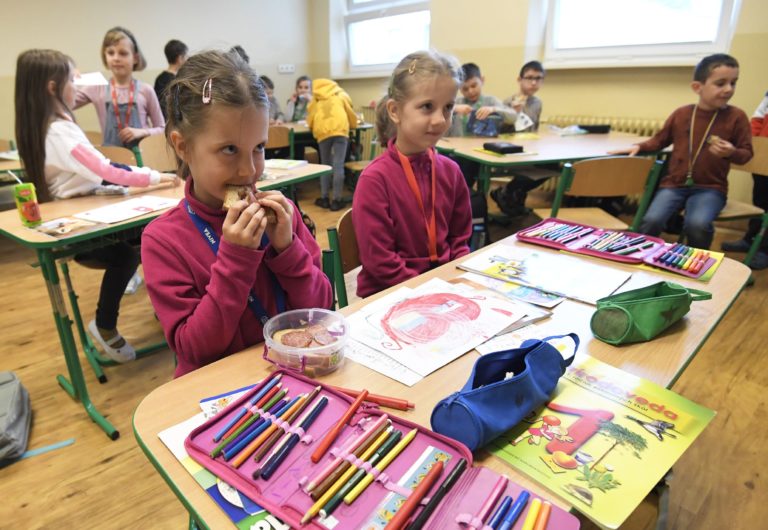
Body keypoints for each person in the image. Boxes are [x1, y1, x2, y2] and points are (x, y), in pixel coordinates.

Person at [141, 50, 332, 377]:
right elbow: (194, 350)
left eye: (258, 148)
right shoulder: (162, 240)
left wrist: (288, 251)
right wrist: (236, 258)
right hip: (219, 392)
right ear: (183, 146)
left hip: (292, 376)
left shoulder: (281, 215)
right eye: (229, 150)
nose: (248, 170)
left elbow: (322, 308)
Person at [14, 49, 177, 362]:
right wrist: (158, 177)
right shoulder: (58, 130)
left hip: (88, 203)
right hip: (80, 221)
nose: (77, 85)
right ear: (52, 87)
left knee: (153, 239)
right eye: (73, 79)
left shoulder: (48, 124)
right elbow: (107, 170)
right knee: (128, 256)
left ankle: (166, 306)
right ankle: (104, 326)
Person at [352, 50, 473, 298]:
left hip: (442, 289)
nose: (440, 119)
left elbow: (460, 240)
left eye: (448, 107)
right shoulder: (375, 180)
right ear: (395, 111)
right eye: (427, 107)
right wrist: (428, 290)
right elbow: (380, 261)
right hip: (389, 295)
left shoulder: (451, 172)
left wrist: (456, 277)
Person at [611, 54, 753, 250]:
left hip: (711, 188)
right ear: (697, 87)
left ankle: (698, 261)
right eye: (721, 83)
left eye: (733, 83)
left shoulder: (736, 117)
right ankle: (637, 255)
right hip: (674, 185)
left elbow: (746, 154)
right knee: (652, 220)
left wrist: (731, 152)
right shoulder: (682, 114)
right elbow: (659, 140)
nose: (729, 89)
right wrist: (640, 146)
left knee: (697, 225)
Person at [75, 27, 165, 149]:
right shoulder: (97, 88)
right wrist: (67, 79)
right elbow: (61, 103)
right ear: (104, 56)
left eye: (123, 53)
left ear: (135, 58)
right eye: (111, 53)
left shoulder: (146, 90)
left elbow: (162, 128)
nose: (116, 58)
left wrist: (143, 132)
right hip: (112, 160)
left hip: (141, 159)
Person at [491, 61, 552, 217]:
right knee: (533, 168)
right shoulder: (507, 102)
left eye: (538, 78)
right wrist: (511, 114)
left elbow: (534, 129)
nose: (533, 83)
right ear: (520, 79)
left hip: (531, 149)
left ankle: (511, 193)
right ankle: (510, 193)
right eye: (529, 78)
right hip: (512, 150)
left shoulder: (537, 103)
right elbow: (499, 132)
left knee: (553, 166)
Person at [721, 91, 768, 269]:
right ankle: (750, 239)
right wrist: (757, 143)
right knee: (760, 200)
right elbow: (758, 117)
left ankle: (765, 249)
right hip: (764, 153)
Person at [307, 78, 358, 211]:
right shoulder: (341, 95)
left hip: (323, 133)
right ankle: (336, 200)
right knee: (338, 165)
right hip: (340, 131)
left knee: (325, 165)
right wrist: (353, 125)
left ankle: (324, 198)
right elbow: (350, 114)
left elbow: (310, 117)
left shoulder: (316, 99)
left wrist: (312, 127)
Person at [154, 39, 188, 119]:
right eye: (186, 56)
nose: (187, 59)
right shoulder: (176, 80)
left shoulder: (160, 78)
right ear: (180, 58)